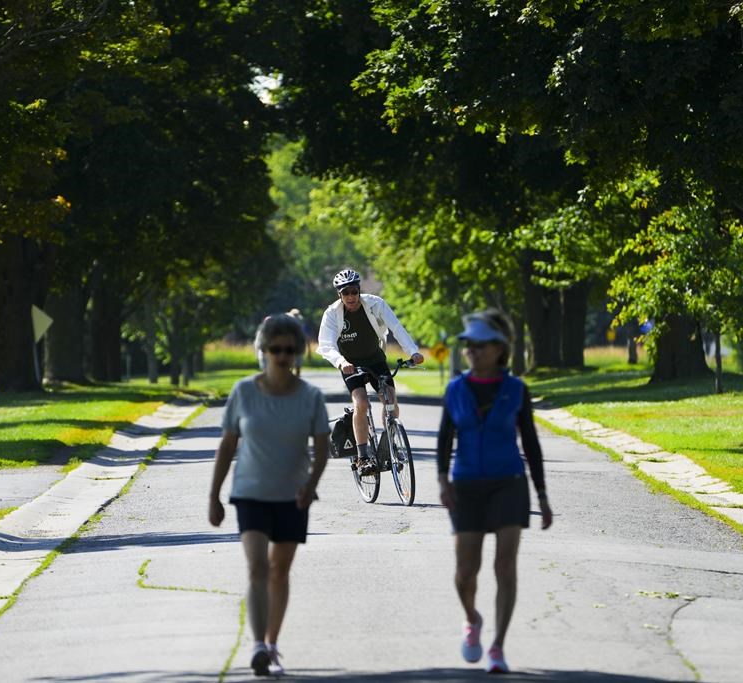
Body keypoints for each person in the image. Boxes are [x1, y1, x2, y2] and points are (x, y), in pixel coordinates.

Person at [209, 313, 330, 677]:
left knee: (280, 570)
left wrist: (311, 486)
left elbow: (322, 449)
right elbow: (227, 445)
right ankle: (257, 644)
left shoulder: (310, 397)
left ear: (298, 353)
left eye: (289, 350)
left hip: (294, 496)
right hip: (250, 493)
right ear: (262, 350)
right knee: (258, 566)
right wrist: (214, 495)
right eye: (275, 348)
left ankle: (272, 642)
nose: (282, 355)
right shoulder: (243, 392)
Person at [436, 309, 553, 674]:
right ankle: (472, 619)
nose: (472, 351)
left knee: (505, 566)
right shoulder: (455, 389)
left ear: (500, 349)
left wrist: (543, 496)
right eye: (469, 345)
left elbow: (531, 445)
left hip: (508, 484)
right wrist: (442, 480)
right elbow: (444, 439)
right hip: (467, 485)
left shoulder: (516, 389)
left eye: (480, 346)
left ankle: (498, 647)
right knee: (464, 572)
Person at [317, 268, 424, 473]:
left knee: (390, 400)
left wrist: (414, 352)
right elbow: (326, 345)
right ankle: (363, 456)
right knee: (362, 403)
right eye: (345, 293)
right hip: (350, 364)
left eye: (354, 292)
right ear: (339, 294)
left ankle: (389, 445)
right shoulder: (332, 314)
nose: (351, 297)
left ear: (359, 290)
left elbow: (397, 328)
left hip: (375, 359)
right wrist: (341, 362)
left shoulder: (376, 304)